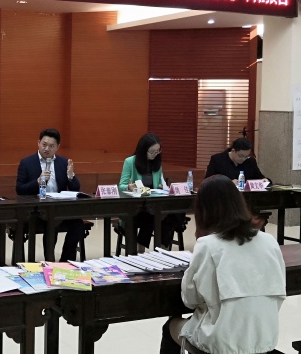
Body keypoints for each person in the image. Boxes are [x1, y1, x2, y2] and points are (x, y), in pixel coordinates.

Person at [160, 175, 286, 354]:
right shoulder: (269, 241)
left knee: (171, 326)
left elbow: (190, 300)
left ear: (203, 211)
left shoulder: (208, 245)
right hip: (264, 341)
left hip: (221, 344)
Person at [16, 128, 84, 262]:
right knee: (52, 224)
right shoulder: (27, 163)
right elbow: (19, 189)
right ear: (38, 143)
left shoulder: (63, 162)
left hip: (59, 208)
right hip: (36, 210)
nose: (47, 149)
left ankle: (66, 260)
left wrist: (71, 176)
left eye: (51, 146)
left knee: (78, 225)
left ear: (57, 147)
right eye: (44, 144)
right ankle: (49, 261)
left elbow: (75, 188)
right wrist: (38, 181)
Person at [119, 133, 181, 252]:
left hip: (153, 204)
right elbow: (121, 186)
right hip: (136, 208)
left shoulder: (157, 163)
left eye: (157, 151)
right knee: (152, 216)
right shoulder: (130, 162)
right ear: (143, 150)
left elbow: (158, 185)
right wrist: (129, 187)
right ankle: (142, 248)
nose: (155, 154)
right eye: (152, 152)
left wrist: (162, 187)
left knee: (168, 215)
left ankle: (163, 249)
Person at [205, 137, 271, 185]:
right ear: (233, 151)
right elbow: (207, 183)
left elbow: (260, 178)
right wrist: (228, 183)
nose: (243, 159)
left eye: (246, 156)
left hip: (246, 196)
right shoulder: (217, 160)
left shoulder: (250, 161)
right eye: (241, 156)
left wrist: (266, 181)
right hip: (224, 196)